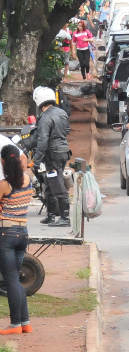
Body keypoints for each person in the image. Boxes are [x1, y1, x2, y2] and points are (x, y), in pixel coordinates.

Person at [0, 144, 34, 335]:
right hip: (23, 233)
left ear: (3, 161)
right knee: (16, 279)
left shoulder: (4, 185)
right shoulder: (28, 180)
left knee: (11, 280)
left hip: (6, 234)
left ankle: (15, 324)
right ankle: (25, 323)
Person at [31, 86, 71, 227]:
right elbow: (67, 130)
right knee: (49, 182)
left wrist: (36, 160)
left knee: (56, 184)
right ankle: (50, 215)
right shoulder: (61, 113)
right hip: (63, 152)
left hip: (52, 155)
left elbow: (42, 141)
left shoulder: (45, 118)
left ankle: (65, 218)